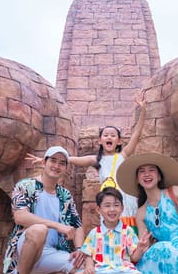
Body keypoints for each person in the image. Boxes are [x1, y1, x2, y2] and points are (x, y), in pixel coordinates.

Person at [28, 93, 146, 226]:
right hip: (108, 198)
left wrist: (143, 111)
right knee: (110, 228)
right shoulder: (96, 159)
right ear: (100, 141)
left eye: (113, 135)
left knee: (127, 229)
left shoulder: (123, 155)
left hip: (125, 199)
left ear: (119, 141)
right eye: (106, 135)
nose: (109, 137)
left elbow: (136, 135)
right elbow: (69, 159)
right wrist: (45, 159)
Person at [5, 146, 85, 274]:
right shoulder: (25, 186)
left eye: (62, 163)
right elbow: (20, 216)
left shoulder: (65, 195)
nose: (57, 165)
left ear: (66, 168)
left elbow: (77, 225)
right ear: (44, 162)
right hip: (26, 249)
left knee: (87, 272)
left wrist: (79, 249)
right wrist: (57, 226)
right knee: (39, 230)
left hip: (51, 253)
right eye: (53, 161)